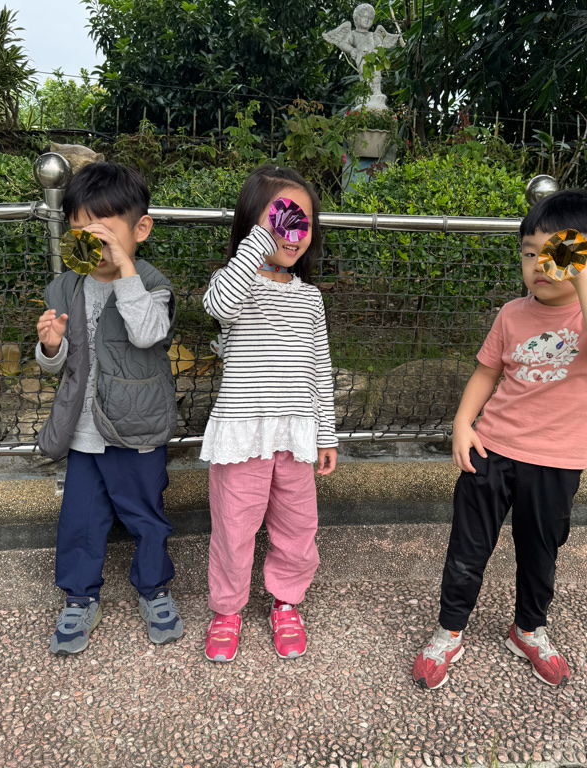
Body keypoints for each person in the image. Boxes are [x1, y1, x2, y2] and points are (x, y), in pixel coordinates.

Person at [412, 189, 587, 689]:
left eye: (558, 253)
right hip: (492, 449)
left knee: (540, 552)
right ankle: (449, 631)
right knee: (467, 548)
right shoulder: (512, 314)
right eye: (530, 253)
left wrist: (582, 278)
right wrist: (463, 424)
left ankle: (528, 629)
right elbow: (486, 372)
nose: (540, 265)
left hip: (557, 462)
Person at [35, 162, 182, 656]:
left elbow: (147, 333)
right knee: (80, 518)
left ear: (140, 229)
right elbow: (58, 366)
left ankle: (154, 588)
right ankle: (79, 597)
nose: (93, 243)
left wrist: (124, 270)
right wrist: (50, 346)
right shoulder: (65, 288)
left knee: (146, 516)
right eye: (81, 231)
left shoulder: (152, 284)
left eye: (104, 232)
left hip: (137, 430)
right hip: (83, 432)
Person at [200, 165, 338, 663]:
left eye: (303, 221)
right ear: (252, 225)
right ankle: (227, 609)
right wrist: (258, 243)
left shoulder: (310, 298)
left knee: (298, 527)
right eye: (281, 218)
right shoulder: (234, 284)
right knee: (233, 529)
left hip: (295, 437)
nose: (292, 232)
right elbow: (219, 306)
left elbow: (319, 367)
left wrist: (326, 434)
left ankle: (287, 601)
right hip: (241, 435)